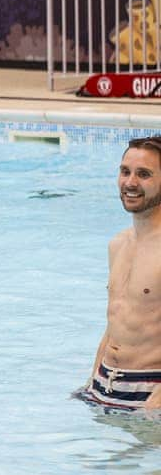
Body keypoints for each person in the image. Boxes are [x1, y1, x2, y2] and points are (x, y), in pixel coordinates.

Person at [83, 136, 161, 410]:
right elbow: (114, 321)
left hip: (150, 394)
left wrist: (155, 405)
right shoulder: (117, 244)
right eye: (125, 171)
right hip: (105, 387)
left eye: (144, 174)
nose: (130, 182)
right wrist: (91, 383)